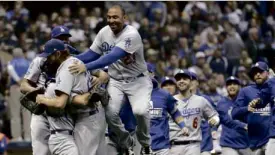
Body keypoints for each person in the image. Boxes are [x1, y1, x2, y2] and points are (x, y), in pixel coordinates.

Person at [69, 5, 153, 154]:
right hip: (116, 81)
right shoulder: (104, 32)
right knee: (110, 114)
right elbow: (91, 54)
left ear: (124, 18)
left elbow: (110, 57)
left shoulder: (131, 34)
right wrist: (69, 59)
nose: (111, 20)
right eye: (109, 17)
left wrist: (85, 67)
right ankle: (127, 143)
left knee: (140, 112)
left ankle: (145, 144)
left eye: (115, 17)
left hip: (138, 81)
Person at [20, 26, 109, 155]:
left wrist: (98, 79)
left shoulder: (73, 59)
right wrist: (39, 94)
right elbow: (24, 85)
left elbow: (103, 75)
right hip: (44, 112)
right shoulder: (42, 59)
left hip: (67, 111)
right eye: (60, 39)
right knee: (41, 151)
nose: (64, 41)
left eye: (66, 39)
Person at [169, 70, 219, 155]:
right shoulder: (169, 101)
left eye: (184, 79)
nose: (181, 81)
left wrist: (215, 120)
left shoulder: (201, 100)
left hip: (194, 145)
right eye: (178, 79)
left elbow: (214, 116)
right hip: (174, 145)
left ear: (190, 81)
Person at [231, 61, 270, 155]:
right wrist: (246, 109)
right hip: (255, 141)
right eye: (255, 72)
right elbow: (234, 113)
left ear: (267, 73)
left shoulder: (273, 89)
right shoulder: (246, 91)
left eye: (260, 71)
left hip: (271, 139)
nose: (257, 74)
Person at [217, 76, 250, 155]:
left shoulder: (246, 101)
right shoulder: (221, 103)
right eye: (229, 84)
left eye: (235, 84)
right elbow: (227, 119)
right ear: (226, 87)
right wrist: (243, 125)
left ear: (239, 87)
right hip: (228, 144)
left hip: (245, 144)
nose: (232, 86)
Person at [7, 48, 30, 141]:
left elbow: (10, 69)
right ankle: (28, 137)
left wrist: (17, 80)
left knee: (15, 113)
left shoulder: (12, 62)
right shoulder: (28, 62)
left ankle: (17, 137)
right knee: (27, 113)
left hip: (15, 87)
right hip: (26, 88)